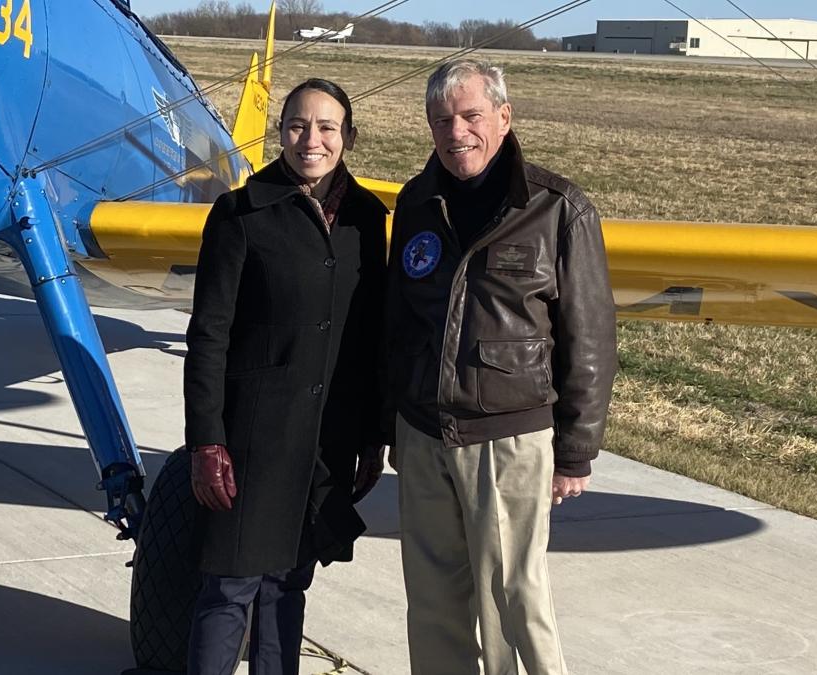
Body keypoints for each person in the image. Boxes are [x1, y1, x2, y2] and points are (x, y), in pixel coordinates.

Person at [382, 58, 619, 674]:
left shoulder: (558, 207)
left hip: (510, 438)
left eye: (471, 115)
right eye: (441, 119)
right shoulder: (415, 202)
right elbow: (398, 320)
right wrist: (393, 427)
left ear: (504, 118)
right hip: (424, 433)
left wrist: (575, 451)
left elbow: (589, 338)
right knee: (433, 606)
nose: (456, 132)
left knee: (516, 600)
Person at [182, 78, 390, 675]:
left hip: (326, 441)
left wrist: (372, 435)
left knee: (288, 584)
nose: (312, 139)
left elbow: (370, 334)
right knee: (229, 589)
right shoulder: (241, 214)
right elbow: (209, 334)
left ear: (348, 137)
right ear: (281, 134)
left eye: (328, 127)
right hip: (251, 440)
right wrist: (206, 440)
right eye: (298, 125)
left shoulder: (365, 221)